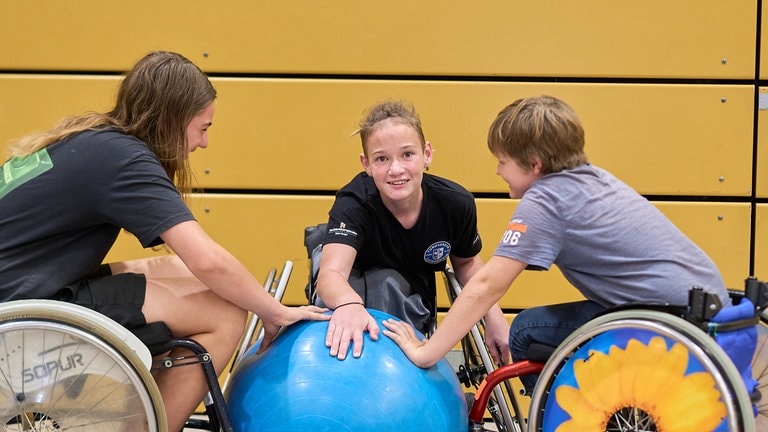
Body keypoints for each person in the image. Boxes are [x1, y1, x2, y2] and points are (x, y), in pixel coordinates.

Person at [0, 51, 328, 431]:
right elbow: (207, 259)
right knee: (225, 314)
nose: (204, 143)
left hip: (24, 287)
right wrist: (275, 312)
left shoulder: (93, 139)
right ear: (172, 122)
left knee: (180, 272)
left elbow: (190, 262)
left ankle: (146, 400)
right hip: (19, 307)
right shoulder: (124, 160)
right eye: (203, 128)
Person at [382, 95, 729, 389]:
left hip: (667, 321)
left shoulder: (546, 200)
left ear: (534, 165)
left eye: (502, 161)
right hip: (709, 309)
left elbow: (488, 284)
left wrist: (426, 351)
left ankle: (575, 417)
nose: (498, 171)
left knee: (526, 331)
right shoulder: (594, 180)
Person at [314, 100, 510, 364]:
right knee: (381, 283)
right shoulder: (353, 203)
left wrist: (493, 315)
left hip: (411, 297)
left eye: (407, 154)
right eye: (382, 158)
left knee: (391, 285)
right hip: (350, 289)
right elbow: (331, 274)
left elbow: (466, 263)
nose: (396, 169)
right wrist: (349, 304)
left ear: (427, 154)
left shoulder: (454, 204)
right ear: (366, 164)